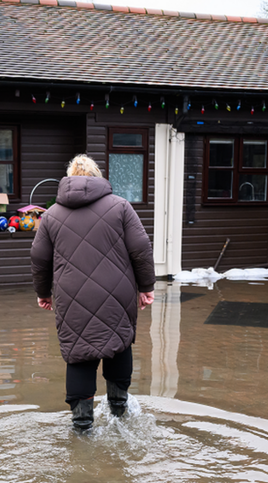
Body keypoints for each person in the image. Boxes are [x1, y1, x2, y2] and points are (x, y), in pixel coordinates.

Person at [31, 154, 156, 431]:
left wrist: (43, 292)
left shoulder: (51, 215)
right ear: (97, 177)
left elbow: (39, 258)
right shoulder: (121, 207)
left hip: (71, 297)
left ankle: (82, 425)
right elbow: (141, 248)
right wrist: (146, 287)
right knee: (119, 343)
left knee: (78, 354)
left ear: (69, 177)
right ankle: (119, 413)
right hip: (117, 292)